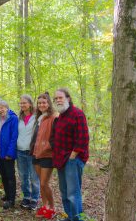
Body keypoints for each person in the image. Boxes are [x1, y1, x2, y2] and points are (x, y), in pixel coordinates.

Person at [53, 88, 89, 221]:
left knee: (73, 194)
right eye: (56, 98)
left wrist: (73, 156)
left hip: (72, 160)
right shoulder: (60, 116)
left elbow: (83, 138)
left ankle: (77, 218)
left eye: (60, 97)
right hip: (60, 160)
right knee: (64, 192)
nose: (58, 100)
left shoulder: (77, 114)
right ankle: (70, 216)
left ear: (68, 98)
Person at [30, 92, 58, 219]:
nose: (41, 105)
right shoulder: (39, 117)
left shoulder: (54, 117)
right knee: (40, 182)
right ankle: (45, 206)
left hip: (47, 154)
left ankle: (52, 208)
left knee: (44, 183)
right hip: (36, 153)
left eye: (44, 102)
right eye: (39, 103)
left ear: (49, 103)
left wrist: (49, 147)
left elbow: (56, 136)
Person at [0, 98, 18, 209]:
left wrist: (10, 153)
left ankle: (12, 200)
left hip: (8, 151)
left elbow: (14, 136)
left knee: (10, 175)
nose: (0, 110)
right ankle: (7, 195)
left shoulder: (13, 119)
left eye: (1, 108)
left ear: (6, 107)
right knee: (3, 174)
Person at [16, 94, 40, 210]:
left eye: (24, 103)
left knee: (34, 177)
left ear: (30, 103)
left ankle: (35, 199)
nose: (22, 105)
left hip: (32, 152)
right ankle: (26, 196)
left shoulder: (36, 117)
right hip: (20, 151)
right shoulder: (18, 118)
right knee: (23, 176)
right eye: (21, 103)